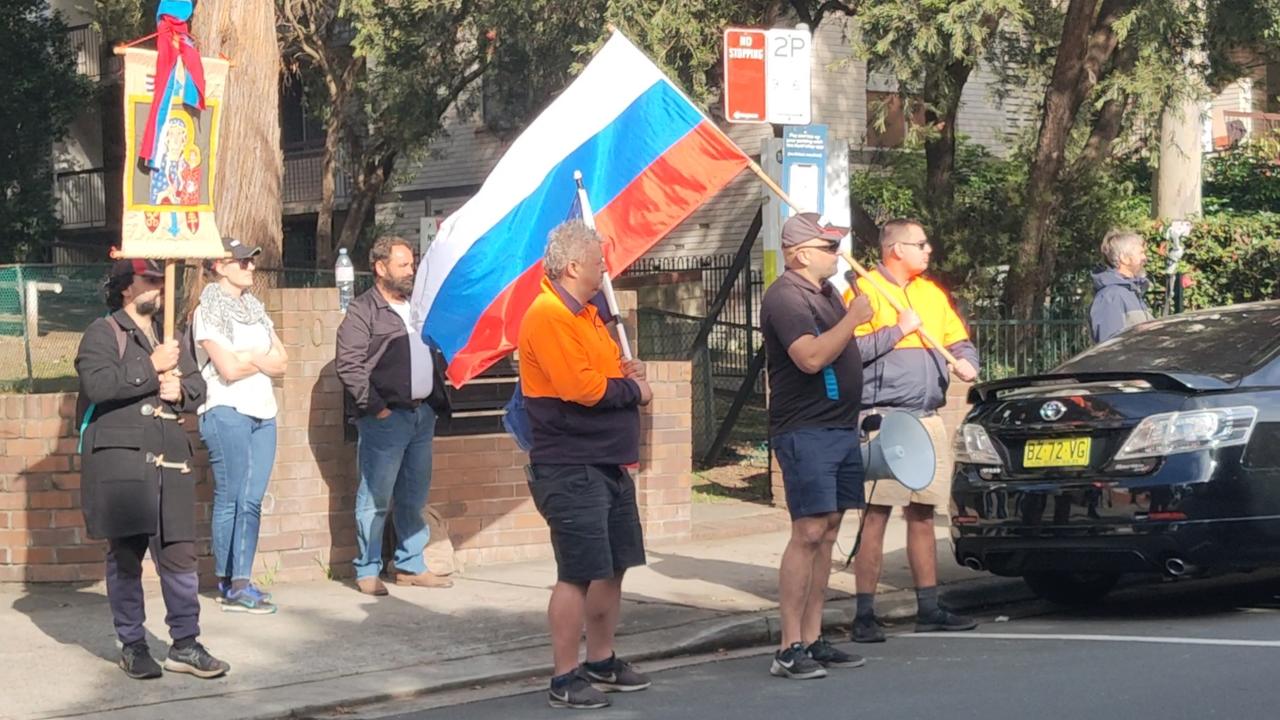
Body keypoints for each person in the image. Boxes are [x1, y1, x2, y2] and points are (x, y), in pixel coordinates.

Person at [518, 221, 653, 709]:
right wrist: (634, 389)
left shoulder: (590, 316)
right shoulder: (549, 315)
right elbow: (583, 389)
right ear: (573, 265)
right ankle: (564, 675)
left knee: (614, 564)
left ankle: (601, 658)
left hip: (607, 461)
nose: (604, 270)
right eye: (598, 262)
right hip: (570, 464)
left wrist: (629, 373)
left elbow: (605, 373)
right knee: (576, 572)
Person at [76, 257, 229, 680]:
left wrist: (180, 389)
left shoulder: (171, 335)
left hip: (171, 463)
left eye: (162, 279)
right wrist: (152, 367)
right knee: (125, 558)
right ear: (127, 287)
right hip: (123, 466)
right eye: (151, 279)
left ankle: (185, 644)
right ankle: (133, 644)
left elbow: (198, 386)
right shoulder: (102, 333)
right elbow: (98, 385)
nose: (160, 286)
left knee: (181, 557)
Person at [847, 218, 980, 643]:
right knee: (876, 515)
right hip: (883, 418)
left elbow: (958, 341)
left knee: (923, 514)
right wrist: (897, 330)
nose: (928, 250)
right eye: (920, 243)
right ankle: (864, 615)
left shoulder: (930, 293)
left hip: (926, 417)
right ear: (895, 249)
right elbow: (851, 352)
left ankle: (929, 607)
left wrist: (967, 361)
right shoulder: (864, 291)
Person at [759, 213, 874, 680]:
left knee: (828, 531)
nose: (837, 254)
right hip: (805, 429)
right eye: (828, 247)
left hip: (838, 428)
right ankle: (788, 646)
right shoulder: (786, 296)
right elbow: (809, 357)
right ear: (801, 253)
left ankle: (812, 636)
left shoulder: (827, 293)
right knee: (807, 531)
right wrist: (852, 318)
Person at [336, 235, 453, 595]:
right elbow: (349, 365)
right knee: (376, 497)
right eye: (402, 265)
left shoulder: (419, 306)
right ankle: (367, 568)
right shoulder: (362, 311)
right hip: (386, 419)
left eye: (411, 264)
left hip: (421, 415)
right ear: (380, 267)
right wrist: (377, 408)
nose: (410, 271)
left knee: (414, 495)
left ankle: (410, 564)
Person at [188, 236, 286, 613]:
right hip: (226, 410)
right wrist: (261, 359)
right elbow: (226, 370)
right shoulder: (207, 311)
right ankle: (230, 583)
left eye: (251, 261)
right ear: (219, 266)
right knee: (231, 497)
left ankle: (242, 578)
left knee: (253, 500)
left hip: (263, 411)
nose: (250, 267)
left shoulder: (256, 310)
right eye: (241, 261)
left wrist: (251, 357)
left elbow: (283, 361)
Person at [1090, 229, 1153, 342]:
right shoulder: (1111, 296)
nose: (1145, 258)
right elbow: (1109, 346)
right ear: (1124, 258)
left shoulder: (1131, 293)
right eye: (1141, 253)